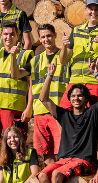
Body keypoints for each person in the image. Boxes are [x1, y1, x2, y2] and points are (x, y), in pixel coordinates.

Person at [13, 23, 67, 165]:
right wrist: (14, 56)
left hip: (58, 111)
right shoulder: (35, 60)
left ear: (55, 36)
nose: (46, 39)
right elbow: (16, 74)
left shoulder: (64, 57)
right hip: (40, 112)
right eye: (43, 37)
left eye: (49, 35)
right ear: (39, 39)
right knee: (46, 153)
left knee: (63, 151)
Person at [59, 0, 98, 109]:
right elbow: (63, 61)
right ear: (86, 10)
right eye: (90, 9)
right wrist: (64, 46)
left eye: (96, 9)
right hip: (75, 83)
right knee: (63, 113)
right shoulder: (76, 31)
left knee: (97, 120)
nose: (93, 12)